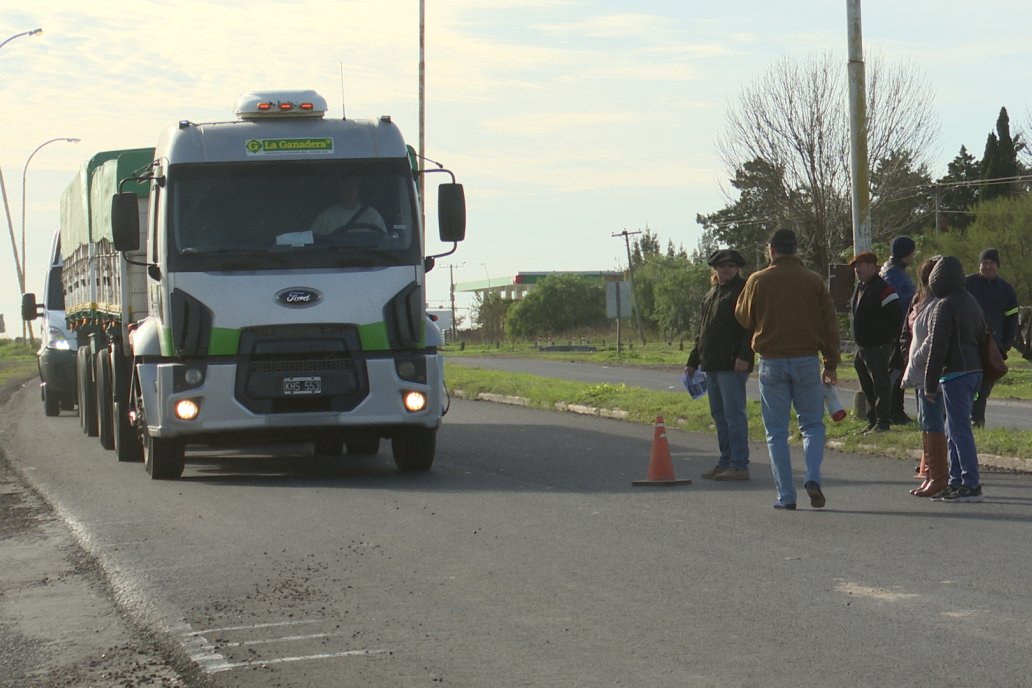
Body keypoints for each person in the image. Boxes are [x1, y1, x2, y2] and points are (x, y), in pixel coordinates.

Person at [735, 228, 840, 510]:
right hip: (807, 359)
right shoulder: (813, 281)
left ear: (771, 249)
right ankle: (813, 477)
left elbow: (743, 317)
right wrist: (830, 363)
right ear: (796, 249)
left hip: (772, 361)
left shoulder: (758, 280)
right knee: (813, 425)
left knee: (776, 432)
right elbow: (830, 325)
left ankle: (786, 495)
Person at [686, 248, 754, 481]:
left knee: (734, 414)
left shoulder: (743, 290)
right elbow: (703, 330)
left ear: (737, 268)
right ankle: (725, 461)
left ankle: (738, 464)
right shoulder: (712, 292)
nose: (727, 269)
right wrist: (693, 360)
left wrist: (744, 356)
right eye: (722, 266)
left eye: (731, 266)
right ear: (715, 269)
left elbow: (750, 328)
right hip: (711, 362)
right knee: (719, 414)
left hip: (732, 363)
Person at [923, 255, 986, 502]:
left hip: (955, 373)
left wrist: (929, 383)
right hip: (975, 371)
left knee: (959, 430)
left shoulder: (945, 305)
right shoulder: (971, 301)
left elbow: (937, 347)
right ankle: (956, 480)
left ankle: (970, 484)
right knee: (954, 428)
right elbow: (982, 337)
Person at [899, 256, 947, 497]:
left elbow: (932, 338)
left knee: (933, 421)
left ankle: (938, 477)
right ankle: (929, 474)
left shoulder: (939, 303)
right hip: (919, 373)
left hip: (931, 373)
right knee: (925, 422)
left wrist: (916, 359)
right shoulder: (922, 300)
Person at [850, 251, 903, 433]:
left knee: (881, 385)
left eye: (861, 265)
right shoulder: (860, 287)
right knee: (867, 386)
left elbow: (896, 317)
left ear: (872, 267)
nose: (857, 269)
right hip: (862, 347)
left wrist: (887, 340)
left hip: (878, 347)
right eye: (856, 266)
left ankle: (883, 422)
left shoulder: (883, 289)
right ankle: (872, 420)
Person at [965, 248, 1018, 427]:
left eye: (991, 263)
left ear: (997, 266)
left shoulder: (1006, 289)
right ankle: (965, 417)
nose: (987, 266)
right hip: (969, 344)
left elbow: (1012, 318)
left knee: (984, 385)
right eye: (984, 263)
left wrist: (1006, 344)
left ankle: (977, 419)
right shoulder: (967, 284)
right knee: (969, 382)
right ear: (979, 265)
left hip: (994, 346)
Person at [881, 236, 917, 424]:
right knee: (896, 371)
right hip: (896, 330)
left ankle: (896, 410)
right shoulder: (893, 274)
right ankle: (894, 411)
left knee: (899, 370)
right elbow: (895, 301)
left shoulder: (894, 271)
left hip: (900, 328)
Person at [311, 177, 388, 236]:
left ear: (359, 191)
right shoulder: (326, 217)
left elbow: (383, 240)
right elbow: (313, 240)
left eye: (354, 188)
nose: (350, 192)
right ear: (340, 190)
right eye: (346, 188)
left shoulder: (372, 215)